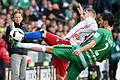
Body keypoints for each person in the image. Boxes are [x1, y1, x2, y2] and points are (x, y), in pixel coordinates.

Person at [14, 12, 114, 80]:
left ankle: (19, 42)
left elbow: (93, 42)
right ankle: (20, 41)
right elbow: (101, 59)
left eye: (100, 20)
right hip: (83, 63)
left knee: (45, 38)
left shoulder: (98, 28)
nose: (98, 22)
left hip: (72, 48)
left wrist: (81, 49)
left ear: (105, 22)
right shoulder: (111, 42)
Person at [23, 4, 98, 80]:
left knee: (43, 33)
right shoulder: (85, 22)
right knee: (59, 78)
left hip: (66, 44)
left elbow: (94, 28)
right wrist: (82, 14)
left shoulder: (90, 20)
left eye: (85, 14)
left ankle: (22, 35)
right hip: (68, 49)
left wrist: (80, 32)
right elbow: (87, 24)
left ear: (90, 15)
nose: (82, 15)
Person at [5, 10, 31, 80]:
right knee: (15, 75)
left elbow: (28, 40)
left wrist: (24, 36)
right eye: (16, 17)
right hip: (15, 52)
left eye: (19, 17)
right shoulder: (10, 28)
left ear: (22, 18)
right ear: (13, 18)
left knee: (23, 75)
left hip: (24, 53)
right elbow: (8, 40)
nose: (17, 19)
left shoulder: (24, 28)